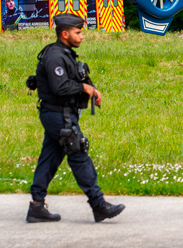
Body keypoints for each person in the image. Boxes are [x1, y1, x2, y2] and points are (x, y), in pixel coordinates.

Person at [27, 14, 125, 224]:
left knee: (50, 158)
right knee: (78, 152)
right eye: (77, 32)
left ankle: (36, 206)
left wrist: (91, 90)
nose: (81, 36)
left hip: (61, 114)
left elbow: (72, 80)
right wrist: (85, 88)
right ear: (65, 33)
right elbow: (60, 87)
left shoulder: (65, 54)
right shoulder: (54, 56)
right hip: (57, 114)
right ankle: (98, 205)